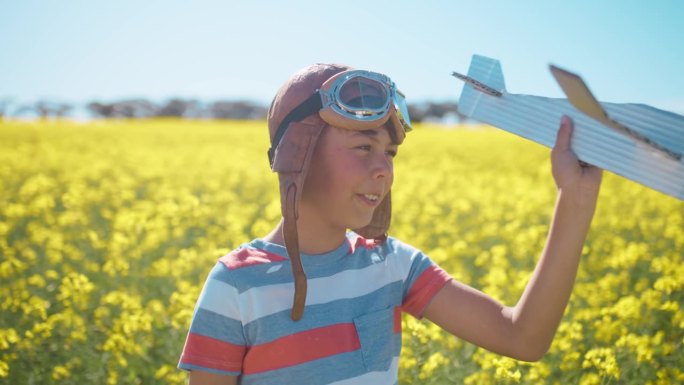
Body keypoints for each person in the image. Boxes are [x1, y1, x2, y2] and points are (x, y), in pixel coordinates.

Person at [178, 63, 603, 385]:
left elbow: (522, 338)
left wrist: (576, 198)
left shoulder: (393, 265)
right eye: (363, 146)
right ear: (297, 155)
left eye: (390, 153)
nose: (384, 169)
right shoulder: (235, 286)